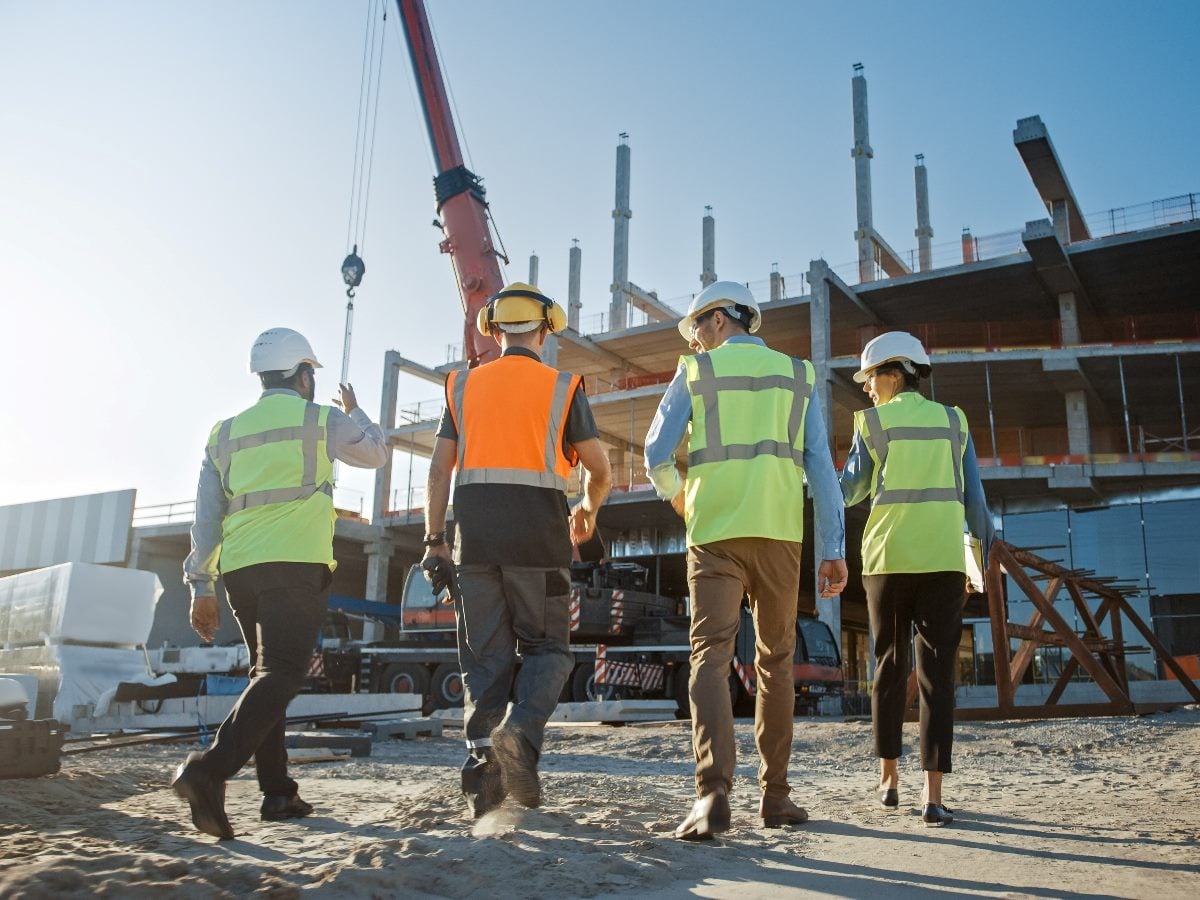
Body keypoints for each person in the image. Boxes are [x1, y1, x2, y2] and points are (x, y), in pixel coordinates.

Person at [643, 280, 848, 841]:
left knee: (709, 658)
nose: (697, 343)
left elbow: (655, 453)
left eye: (696, 331)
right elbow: (821, 470)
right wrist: (832, 549)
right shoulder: (798, 376)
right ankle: (775, 798)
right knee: (775, 663)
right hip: (781, 536)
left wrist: (679, 495)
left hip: (713, 533)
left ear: (715, 320)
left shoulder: (696, 373)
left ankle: (712, 795)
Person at [175, 327, 389, 840]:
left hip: (240, 570)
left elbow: (205, 519)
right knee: (284, 674)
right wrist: (357, 413)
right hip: (294, 565)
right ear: (304, 375)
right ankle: (209, 771)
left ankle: (278, 793)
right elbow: (376, 455)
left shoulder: (224, 432)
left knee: (264, 677)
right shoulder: (321, 419)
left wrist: (199, 585)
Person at [422, 282, 612, 818]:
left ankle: (485, 791)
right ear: (546, 328)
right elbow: (601, 471)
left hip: (474, 544)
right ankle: (521, 733)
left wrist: (435, 540)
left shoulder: (461, 386)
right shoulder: (562, 387)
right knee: (548, 651)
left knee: (486, 662)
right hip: (540, 543)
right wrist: (588, 510)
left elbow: (439, 469)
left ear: (494, 328)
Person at [840, 330, 994, 827]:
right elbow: (976, 503)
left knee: (886, 665)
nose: (866, 388)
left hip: (887, 561)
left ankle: (888, 781)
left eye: (870, 378)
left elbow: (849, 492)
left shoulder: (871, 424)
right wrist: (976, 563)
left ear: (894, 373)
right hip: (943, 562)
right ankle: (932, 795)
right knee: (938, 676)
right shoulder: (955, 421)